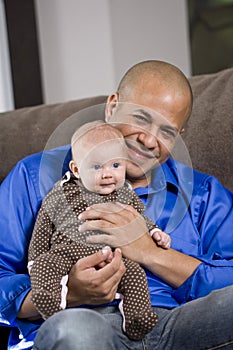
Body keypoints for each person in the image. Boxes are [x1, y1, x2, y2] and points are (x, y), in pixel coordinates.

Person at [0, 60, 233, 350]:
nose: (148, 140)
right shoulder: (34, 176)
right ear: (112, 106)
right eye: (140, 118)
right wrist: (68, 293)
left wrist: (152, 254)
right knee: (75, 331)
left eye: (167, 132)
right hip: (88, 323)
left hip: (182, 325)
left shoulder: (204, 193)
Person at [28, 120, 170, 340]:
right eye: (97, 167)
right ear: (76, 168)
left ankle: (137, 317)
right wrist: (34, 260)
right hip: (67, 254)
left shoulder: (124, 193)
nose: (107, 174)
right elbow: (42, 228)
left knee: (134, 274)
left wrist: (154, 232)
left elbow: (140, 220)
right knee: (45, 266)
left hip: (112, 257)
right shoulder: (61, 193)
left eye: (115, 166)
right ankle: (50, 301)